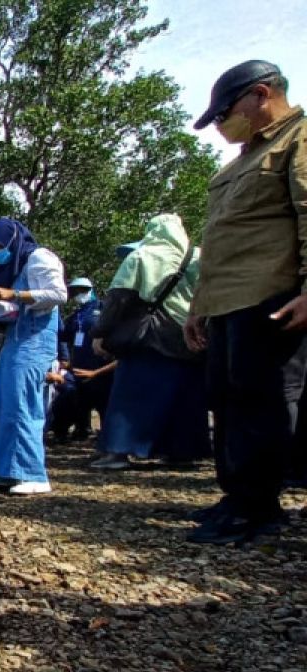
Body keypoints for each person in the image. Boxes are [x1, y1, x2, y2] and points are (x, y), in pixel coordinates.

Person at [182, 60, 307, 544]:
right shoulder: (240, 162)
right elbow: (221, 241)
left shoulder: (298, 141)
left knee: (263, 400)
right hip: (226, 301)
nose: (219, 125)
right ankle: (235, 495)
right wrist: (200, 305)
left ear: (260, 94)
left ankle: (260, 506)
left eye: (223, 113)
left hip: (271, 296)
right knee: (227, 400)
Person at [90, 215, 209, 470]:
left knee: (131, 394)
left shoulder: (142, 256)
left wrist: (100, 333)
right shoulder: (199, 258)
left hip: (150, 337)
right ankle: (182, 453)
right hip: (190, 335)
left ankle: (118, 452)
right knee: (184, 396)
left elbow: (119, 299)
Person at [0, 218, 67, 495]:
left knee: (24, 405)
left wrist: (14, 293)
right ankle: (6, 470)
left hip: (35, 342)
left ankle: (33, 473)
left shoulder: (39, 257)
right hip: (16, 341)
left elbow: (58, 294)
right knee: (5, 404)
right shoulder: (13, 264)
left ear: (9, 240)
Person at [57, 277, 112, 440]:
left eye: (83, 290)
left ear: (90, 290)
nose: (79, 294)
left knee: (103, 401)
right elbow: (63, 336)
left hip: (99, 365)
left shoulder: (102, 308)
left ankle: (106, 434)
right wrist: (64, 358)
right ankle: (81, 429)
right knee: (78, 398)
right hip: (78, 364)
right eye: (75, 291)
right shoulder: (76, 315)